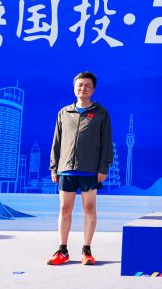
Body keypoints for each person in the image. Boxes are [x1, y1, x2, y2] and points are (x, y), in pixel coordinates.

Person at [48, 71, 113, 266]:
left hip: (90, 170)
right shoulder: (64, 112)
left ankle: (87, 250)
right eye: (80, 85)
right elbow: (57, 141)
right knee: (64, 209)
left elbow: (106, 143)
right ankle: (62, 250)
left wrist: (103, 167)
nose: (83, 88)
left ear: (93, 90)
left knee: (89, 208)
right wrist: (54, 167)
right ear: (74, 88)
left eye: (87, 85)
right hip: (66, 169)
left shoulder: (101, 113)